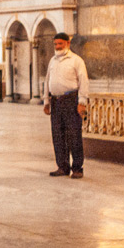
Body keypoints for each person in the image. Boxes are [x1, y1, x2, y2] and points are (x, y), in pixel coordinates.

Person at [44, 32, 89, 179]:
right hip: (56, 102)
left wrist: (82, 102)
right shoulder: (52, 61)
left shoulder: (76, 61)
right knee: (58, 134)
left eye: (60, 44)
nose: (57, 47)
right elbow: (47, 81)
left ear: (68, 43)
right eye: (55, 44)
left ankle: (77, 168)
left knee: (73, 134)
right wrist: (46, 101)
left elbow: (83, 81)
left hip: (71, 101)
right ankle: (62, 166)